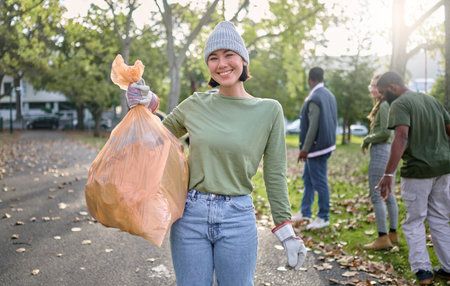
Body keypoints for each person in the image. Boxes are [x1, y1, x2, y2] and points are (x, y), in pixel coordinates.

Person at [127, 21, 306, 286]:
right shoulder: (196, 103)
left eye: (229, 55)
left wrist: (286, 229)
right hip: (191, 216)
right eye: (213, 58)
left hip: (238, 217)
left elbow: (275, 174)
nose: (222, 64)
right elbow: (155, 140)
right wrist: (145, 107)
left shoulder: (269, 111)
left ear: (243, 60)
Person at [376, 71, 450, 285]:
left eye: (383, 93)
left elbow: (401, 135)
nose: (383, 97)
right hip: (444, 169)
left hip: (418, 172)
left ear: (393, 86)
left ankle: (423, 272)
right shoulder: (431, 100)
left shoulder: (400, 103)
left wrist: (389, 173)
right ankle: (448, 268)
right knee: (439, 218)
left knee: (415, 221)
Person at [292, 67, 337, 230]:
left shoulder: (315, 97)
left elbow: (313, 126)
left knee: (319, 182)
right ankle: (305, 212)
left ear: (309, 79)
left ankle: (323, 216)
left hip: (317, 148)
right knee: (308, 180)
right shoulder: (328, 94)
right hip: (326, 144)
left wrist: (305, 149)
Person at [361, 74, 399, 250]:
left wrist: (367, 139)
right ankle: (392, 233)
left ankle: (383, 237)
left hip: (382, 150)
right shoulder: (385, 105)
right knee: (388, 194)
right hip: (389, 151)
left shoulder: (384, 106)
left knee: (377, 195)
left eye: (377, 85)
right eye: (372, 85)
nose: (373, 88)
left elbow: (385, 132)